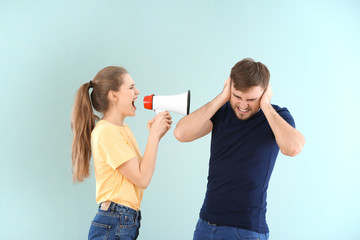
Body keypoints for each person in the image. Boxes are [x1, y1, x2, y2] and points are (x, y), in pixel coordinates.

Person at [174, 58, 305, 240]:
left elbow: (293, 147)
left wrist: (265, 105)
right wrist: (222, 97)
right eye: (237, 96)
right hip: (205, 225)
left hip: (245, 230)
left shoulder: (277, 116)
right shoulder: (222, 111)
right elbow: (181, 134)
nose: (243, 106)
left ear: (265, 93)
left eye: (251, 99)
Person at [71, 66, 172, 240]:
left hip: (123, 219)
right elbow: (143, 179)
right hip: (115, 219)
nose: (138, 92)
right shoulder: (107, 132)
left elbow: (142, 174)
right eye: (131, 87)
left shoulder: (122, 129)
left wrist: (155, 136)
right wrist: (153, 136)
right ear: (114, 95)